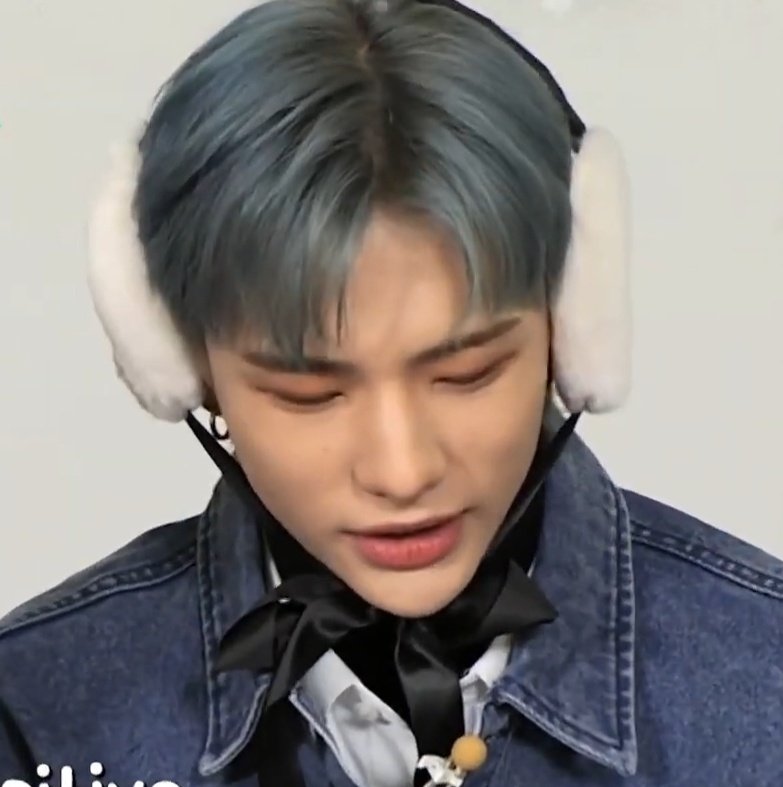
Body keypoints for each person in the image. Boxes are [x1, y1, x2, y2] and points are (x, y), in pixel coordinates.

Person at [1, 1, 781, 785]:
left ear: (572, 332)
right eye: (308, 392)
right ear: (183, 368)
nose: (402, 473)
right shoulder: (31, 715)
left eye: (467, 374)